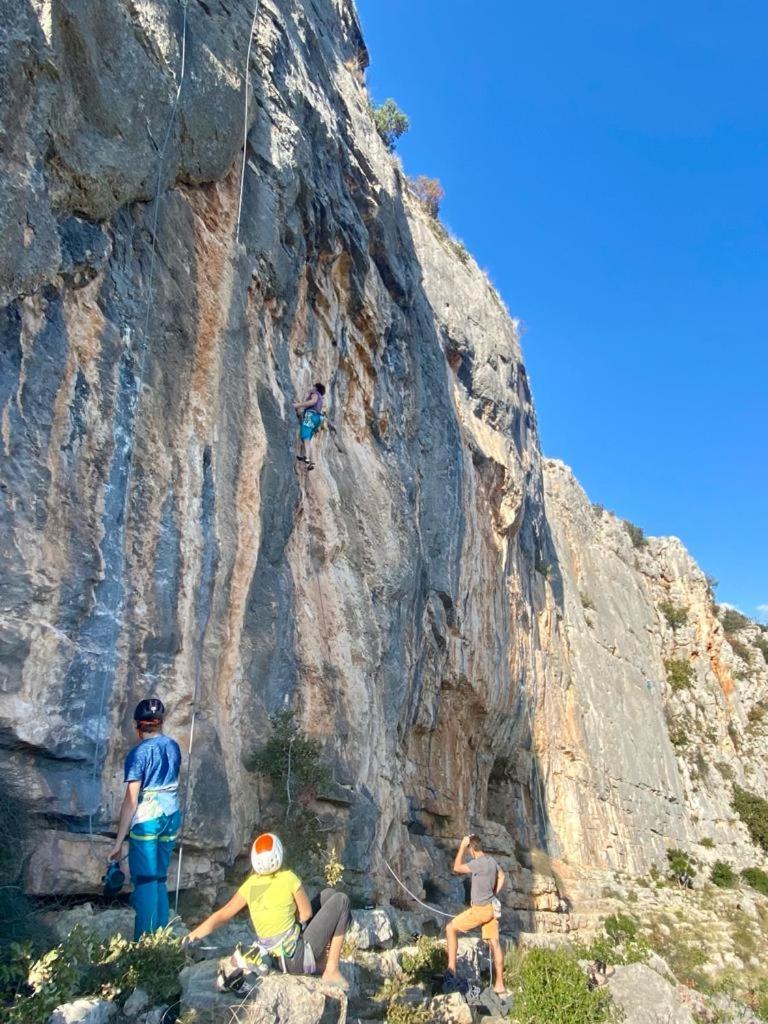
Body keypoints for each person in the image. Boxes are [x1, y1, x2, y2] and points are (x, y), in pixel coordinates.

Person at [185, 832, 350, 988]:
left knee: (328, 894)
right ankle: (331, 969)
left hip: (272, 956)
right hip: (294, 957)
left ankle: (320, 960)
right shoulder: (288, 878)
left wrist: (191, 936)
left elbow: (222, 915)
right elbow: (306, 914)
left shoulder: (250, 885)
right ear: (279, 854)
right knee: (341, 900)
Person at [108, 698, 182, 940]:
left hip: (149, 817)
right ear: (160, 723)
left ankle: (145, 943)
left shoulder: (138, 754)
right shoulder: (173, 747)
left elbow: (130, 801)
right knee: (159, 877)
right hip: (171, 816)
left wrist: (118, 843)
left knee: (146, 879)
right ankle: (162, 937)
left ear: (137, 726)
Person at [445, 834, 507, 995]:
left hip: (480, 910)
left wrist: (461, 846)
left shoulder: (477, 863)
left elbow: (456, 868)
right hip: (492, 908)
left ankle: (451, 969)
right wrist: (494, 892)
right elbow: (502, 876)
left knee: (450, 928)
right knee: (495, 943)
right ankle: (500, 984)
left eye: (468, 849)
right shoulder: (491, 861)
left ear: (472, 849)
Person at [294, 382, 326, 470]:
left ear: (316, 388)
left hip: (311, 416)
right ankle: (310, 460)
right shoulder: (321, 399)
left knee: (305, 437)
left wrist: (298, 405)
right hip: (318, 419)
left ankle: (307, 459)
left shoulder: (315, 394)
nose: (311, 388)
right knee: (308, 439)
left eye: (313, 387)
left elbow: (312, 402)